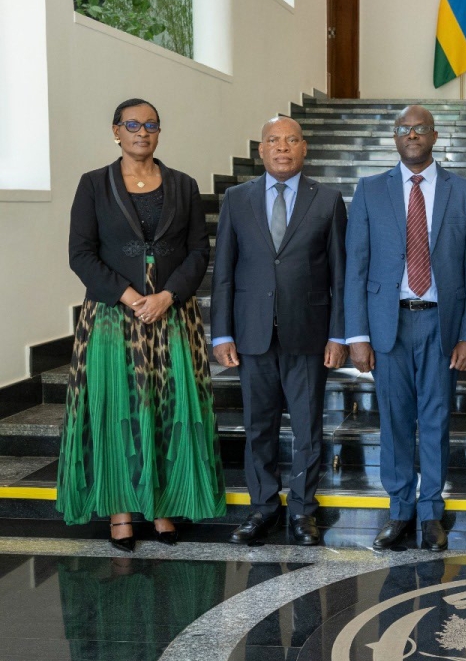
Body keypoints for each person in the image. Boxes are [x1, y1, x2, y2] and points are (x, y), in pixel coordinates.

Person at [57, 98, 225, 551]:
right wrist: (132, 297)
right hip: (113, 317)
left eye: (151, 124)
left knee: (168, 411)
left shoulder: (184, 185)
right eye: (132, 124)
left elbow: (198, 252)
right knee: (119, 411)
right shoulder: (93, 185)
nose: (142, 131)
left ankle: (163, 505)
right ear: (116, 131)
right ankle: (120, 512)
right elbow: (81, 254)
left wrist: (168, 296)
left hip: (172, 316)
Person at [345, 105, 466, 551]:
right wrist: (357, 335)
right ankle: (400, 509)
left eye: (419, 128)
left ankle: (431, 512)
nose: (411, 135)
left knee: (436, 419)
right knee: (395, 420)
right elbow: (356, 267)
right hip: (390, 324)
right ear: (394, 136)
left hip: (440, 323)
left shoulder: (464, 192)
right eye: (403, 129)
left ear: (434, 134)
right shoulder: (369, 191)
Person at [211, 116, 348, 546]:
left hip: (309, 333)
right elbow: (224, 273)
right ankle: (263, 508)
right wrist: (221, 333)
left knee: (308, 427)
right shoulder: (237, 198)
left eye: (291, 140)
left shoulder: (327, 200)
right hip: (252, 334)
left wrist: (339, 334)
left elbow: (340, 276)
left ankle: (304, 511)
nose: (282, 147)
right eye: (274, 140)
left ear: (304, 148)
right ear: (261, 150)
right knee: (259, 425)